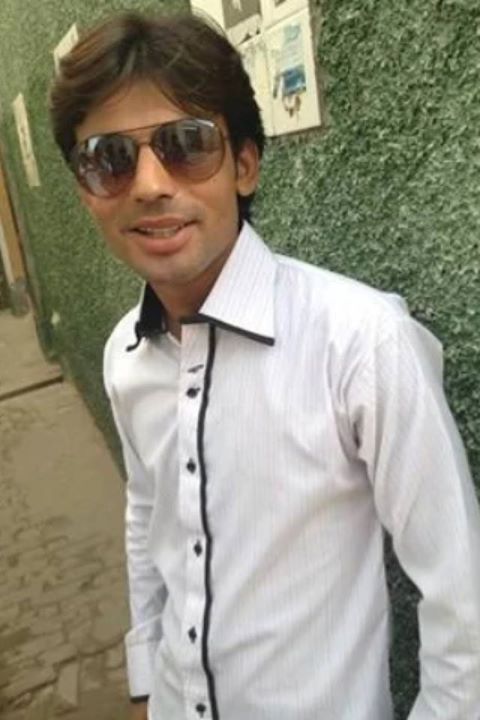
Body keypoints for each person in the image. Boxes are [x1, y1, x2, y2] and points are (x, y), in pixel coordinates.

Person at [49, 11, 480, 720]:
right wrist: (146, 679)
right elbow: (147, 517)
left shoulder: (363, 343)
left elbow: (461, 595)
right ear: (85, 187)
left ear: (245, 165)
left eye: (187, 144)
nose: (149, 184)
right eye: (109, 157)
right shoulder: (125, 353)